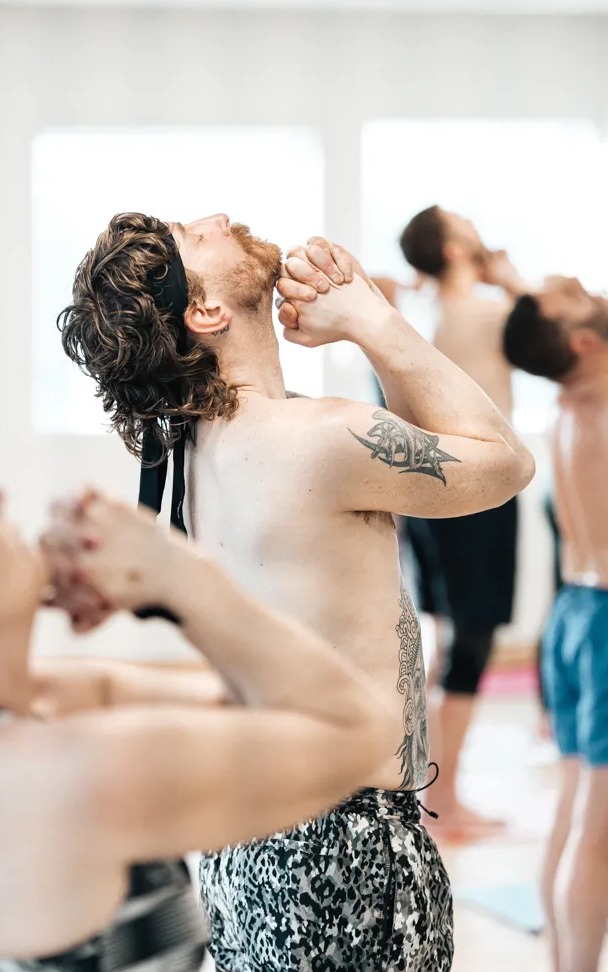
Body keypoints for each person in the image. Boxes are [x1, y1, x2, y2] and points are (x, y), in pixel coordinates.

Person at [59, 212, 535, 972]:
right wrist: (373, 322)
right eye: (196, 233)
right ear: (205, 312)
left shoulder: (197, 447)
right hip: (338, 845)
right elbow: (504, 464)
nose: (217, 218)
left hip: (243, 833)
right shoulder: (310, 439)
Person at [0, 487, 388, 970]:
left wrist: (151, 578)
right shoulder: (46, 776)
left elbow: (260, 707)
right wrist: (175, 572)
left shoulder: (29, 711)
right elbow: (360, 729)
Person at [383, 204, 529, 834]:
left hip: (437, 494)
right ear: (451, 249)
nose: (473, 221)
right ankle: (447, 799)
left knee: (451, 639)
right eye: (459, 222)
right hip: (475, 492)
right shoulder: (481, 313)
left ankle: (437, 791)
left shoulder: (435, 314)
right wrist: (513, 281)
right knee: (473, 637)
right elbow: (558, 332)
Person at [503, 277, 608, 972]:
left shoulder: (568, 404)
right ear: (579, 341)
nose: (580, 284)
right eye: (571, 296)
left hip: (574, 609)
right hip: (602, 622)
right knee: (596, 829)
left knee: (574, 808)